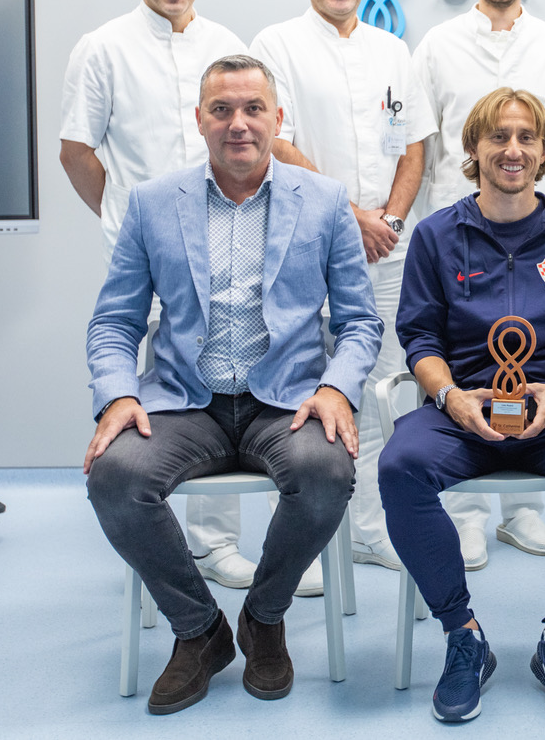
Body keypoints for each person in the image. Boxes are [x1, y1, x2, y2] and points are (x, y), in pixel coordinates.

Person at [84, 55, 382, 714]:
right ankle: (200, 630)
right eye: (222, 110)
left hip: (289, 402)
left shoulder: (325, 201)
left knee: (326, 471)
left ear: (278, 118)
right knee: (115, 475)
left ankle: (264, 616)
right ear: (200, 120)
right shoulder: (153, 202)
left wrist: (336, 387)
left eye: (253, 109)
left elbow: (360, 321)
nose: (238, 123)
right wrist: (119, 395)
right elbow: (114, 321)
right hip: (185, 403)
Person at [380, 88, 545, 722]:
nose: (512, 150)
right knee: (399, 466)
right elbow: (419, 338)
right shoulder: (436, 236)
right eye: (498, 136)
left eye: (526, 137)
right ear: (473, 148)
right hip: (461, 412)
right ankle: (462, 635)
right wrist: (450, 397)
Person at [59, 0, 257, 593]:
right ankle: (157, 540)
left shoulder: (226, 45)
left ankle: (216, 543)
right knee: (149, 391)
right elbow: (76, 150)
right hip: (143, 253)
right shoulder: (102, 47)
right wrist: (130, 225)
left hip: (226, 242)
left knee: (223, 379)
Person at [250, 0, 432, 588]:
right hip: (303, 244)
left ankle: (372, 529)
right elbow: (276, 141)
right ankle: (300, 541)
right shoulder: (275, 45)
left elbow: (414, 144)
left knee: (382, 389)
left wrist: (389, 220)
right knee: (300, 394)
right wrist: (351, 217)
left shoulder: (393, 50)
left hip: (387, 248)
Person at [412, 0, 545, 569]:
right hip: (461, 232)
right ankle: (467, 514)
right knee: (467, 352)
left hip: (537, 234)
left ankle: (524, 509)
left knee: (533, 345)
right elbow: (422, 145)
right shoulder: (438, 47)